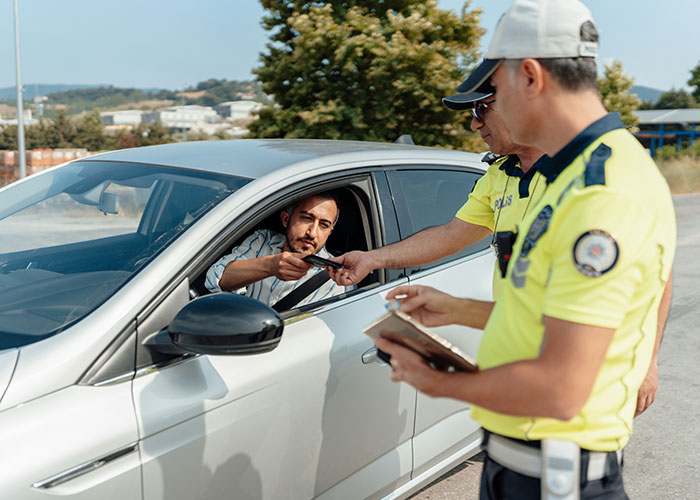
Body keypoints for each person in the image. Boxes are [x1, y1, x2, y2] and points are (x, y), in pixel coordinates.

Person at [373, 1, 676, 499]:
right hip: (523, 462)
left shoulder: (601, 193)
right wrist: (458, 310)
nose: (481, 117)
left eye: (491, 93)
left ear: (530, 76)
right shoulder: (567, 174)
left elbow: (561, 389)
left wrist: (437, 381)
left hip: (558, 476)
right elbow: (551, 314)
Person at [330, 86, 548, 300]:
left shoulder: (577, 171)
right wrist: (371, 259)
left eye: (481, 109)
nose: (475, 124)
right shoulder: (498, 175)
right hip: (515, 328)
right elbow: (450, 236)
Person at [205, 192, 348, 308]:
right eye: (306, 218)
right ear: (286, 219)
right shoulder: (262, 241)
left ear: (330, 232)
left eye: (323, 225)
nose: (312, 233)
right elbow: (214, 278)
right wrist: (269, 265)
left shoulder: (335, 280)